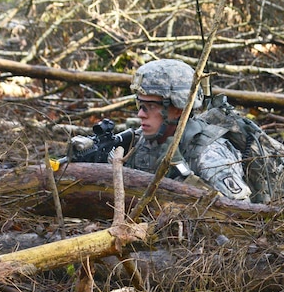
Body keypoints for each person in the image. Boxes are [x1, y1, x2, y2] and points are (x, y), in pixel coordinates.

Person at [70, 59, 252, 201]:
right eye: (139, 104)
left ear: (179, 108)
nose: (141, 114)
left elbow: (241, 213)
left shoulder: (208, 154)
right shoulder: (142, 140)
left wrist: (184, 175)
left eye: (150, 106)